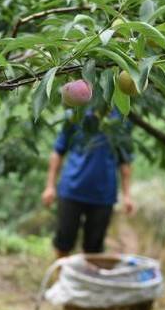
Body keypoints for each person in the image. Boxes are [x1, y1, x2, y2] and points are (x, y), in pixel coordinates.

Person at [41, 109, 134, 257]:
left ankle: (87, 279)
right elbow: (58, 151)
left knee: (94, 251)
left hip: (103, 195)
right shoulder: (76, 112)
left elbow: (125, 160)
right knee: (63, 244)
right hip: (71, 189)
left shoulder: (122, 117)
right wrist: (50, 186)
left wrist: (127, 195)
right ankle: (62, 278)